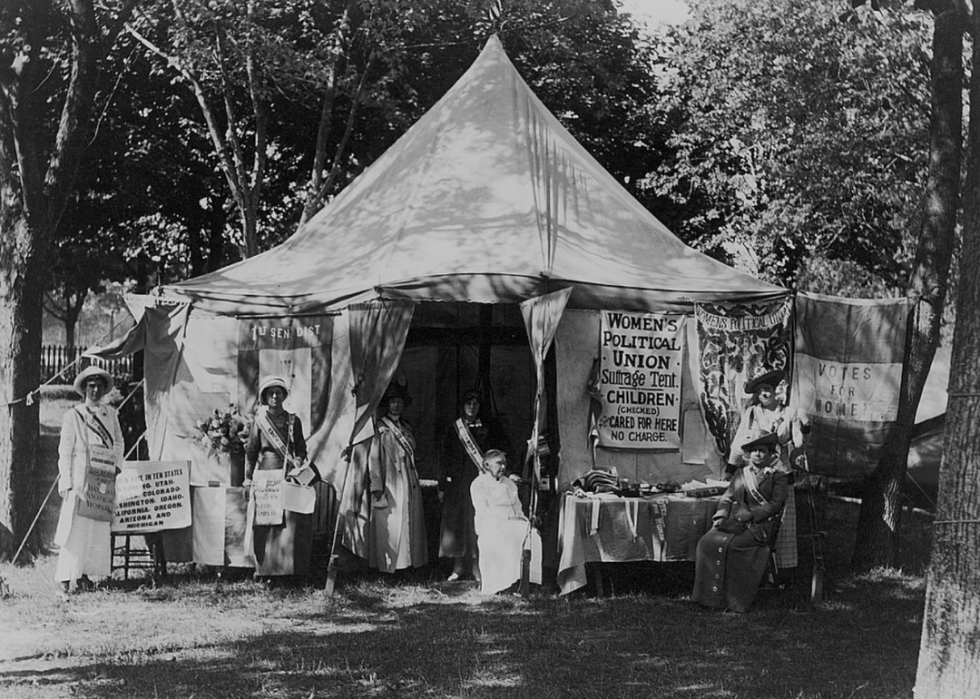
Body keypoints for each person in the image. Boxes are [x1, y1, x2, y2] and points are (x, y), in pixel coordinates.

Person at [692, 431, 789, 612]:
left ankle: (733, 600)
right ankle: (707, 597)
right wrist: (720, 517)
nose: (758, 454)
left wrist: (752, 515)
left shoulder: (779, 477)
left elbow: (775, 505)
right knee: (706, 542)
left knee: (734, 545)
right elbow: (727, 498)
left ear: (770, 454)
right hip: (735, 522)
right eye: (754, 451)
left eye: (762, 451)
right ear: (748, 454)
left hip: (760, 526)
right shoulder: (740, 474)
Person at [727, 368, 809, 570]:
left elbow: (798, 443)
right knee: (753, 517)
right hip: (755, 477)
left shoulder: (789, 413)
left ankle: (781, 570)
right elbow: (739, 443)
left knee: (782, 524)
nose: (765, 393)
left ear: (775, 391)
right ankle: (752, 567)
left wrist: (805, 424)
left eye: (768, 389)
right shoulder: (752, 413)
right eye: (761, 390)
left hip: (781, 474)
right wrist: (730, 469)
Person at [55, 366, 124, 595]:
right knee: (74, 529)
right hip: (79, 478)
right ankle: (65, 580)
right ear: (84, 389)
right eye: (91, 386)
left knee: (95, 529)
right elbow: (65, 450)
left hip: (102, 477)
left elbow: (118, 443)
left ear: (104, 389)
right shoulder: (73, 415)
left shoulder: (111, 414)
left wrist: (116, 467)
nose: (95, 390)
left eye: (99, 386)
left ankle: (84, 576)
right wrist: (66, 480)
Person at [243, 375, 312, 582]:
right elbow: (251, 452)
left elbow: (301, 448)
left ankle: (290, 571)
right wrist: (247, 479)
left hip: (288, 475)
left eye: (278, 392)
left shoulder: (294, 420)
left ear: (284, 396)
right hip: (266, 476)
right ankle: (265, 571)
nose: (275, 396)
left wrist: (298, 460)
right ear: (265, 397)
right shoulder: (259, 422)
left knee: (290, 523)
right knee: (266, 523)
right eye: (271, 393)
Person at [438, 389, 508, 582]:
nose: (471, 407)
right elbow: (444, 458)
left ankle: (478, 567)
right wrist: (443, 484)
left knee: (478, 523)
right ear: (463, 406)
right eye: (468, 404)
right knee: (458, 524)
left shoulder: (487, 428)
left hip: (480, 483)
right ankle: (458, 567)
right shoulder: (454, 429)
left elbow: (497, 454)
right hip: (458, 485)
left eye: (475, 404)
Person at [368, 381, 428, 573]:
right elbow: (374, 457)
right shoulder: (379, 427)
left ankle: (409, 564)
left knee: (409, 521)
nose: (396, 405)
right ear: (388, 404)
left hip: (408, 479)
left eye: (399, 402)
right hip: (390, 480)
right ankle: (391, 567)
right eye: (393, 402)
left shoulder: (406, 426)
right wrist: (376, 484)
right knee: (394, 523)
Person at [470, 449, 542, 595]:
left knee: (533, 535)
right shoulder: (478, 484)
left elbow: (518, 507)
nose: (503, 467)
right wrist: (505, 520)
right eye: (499, 463)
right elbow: (483, 510)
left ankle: (527, 581)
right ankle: (502, 584)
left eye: (504, 463)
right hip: (491, 524)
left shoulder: (509, 484)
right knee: (506, 536)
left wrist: (523, 520)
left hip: (514, 521)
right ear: (486, 465)